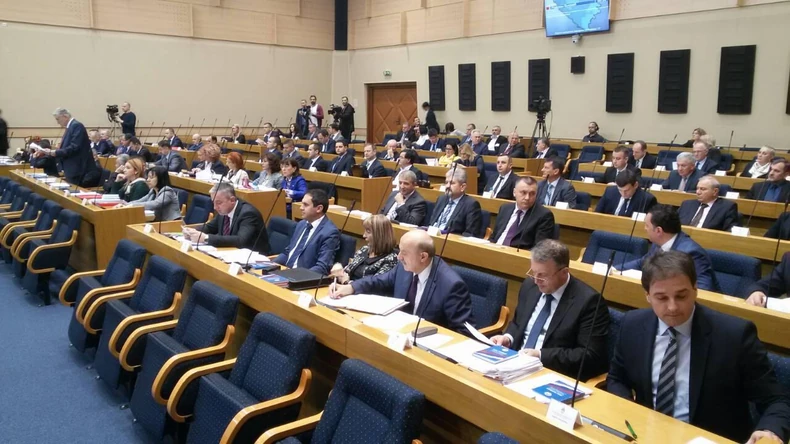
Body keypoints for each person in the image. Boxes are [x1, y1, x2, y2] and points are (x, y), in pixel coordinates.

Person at [607, 250, 790, 444]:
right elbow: (617, 378)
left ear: (695, 289)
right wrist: (630, 413)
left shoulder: (734, 335)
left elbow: (777, 400)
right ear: (648, 296)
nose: (672, 307)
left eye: (681, 296)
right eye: (661, 298)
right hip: (646, 435)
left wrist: (770, 431)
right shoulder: (632, 324)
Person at [491, 239, 609, 379]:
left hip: (550, 373)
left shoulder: (589, 301)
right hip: (513, 365)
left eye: (542, 275)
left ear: (564, 272)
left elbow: (588, 355)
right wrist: (507, 338)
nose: (536, 280)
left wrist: (541, 355)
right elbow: (518, 323)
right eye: (533, 272)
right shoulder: (530, 285)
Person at [329, 230, 474, 333]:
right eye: (399, 251)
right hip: (398, 334)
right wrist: (351, 288)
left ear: (423, 257)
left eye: (404, 253)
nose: (398, 257)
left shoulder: (451, 285)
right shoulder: (404, 268)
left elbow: (463, 332)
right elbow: (378, 281)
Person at [619, 204, 719, 292]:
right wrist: (614, 270)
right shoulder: (658, 243)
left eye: (647, 225)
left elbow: (703, 289)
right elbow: (642, 263)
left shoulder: (692, 253)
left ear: (658, 231)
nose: (645, 228)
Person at [184, 183, 270, 253]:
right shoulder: (225, 210)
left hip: (253, 259)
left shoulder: (248, 214)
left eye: (218, 203)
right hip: (229, 253)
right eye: (213, 203)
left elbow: (240, 240)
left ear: (232, 200)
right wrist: (192, 231)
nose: (215, 207)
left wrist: (206, 238)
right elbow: (210, 227)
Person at [274, 189, 339, 274]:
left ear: (319, 208)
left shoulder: (329, 232)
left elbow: (322, 267)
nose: (301, 208)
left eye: (305, 205)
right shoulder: (301, 224)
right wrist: (271, 265)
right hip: (285, 272)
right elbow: (288, 252)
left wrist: (297, 275)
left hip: (302, 277)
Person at [330, 215, 399, 283]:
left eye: (368, 232)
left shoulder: (391, 260)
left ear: (380, 235)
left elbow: (374, 286)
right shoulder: (364, 249)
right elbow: (347, 271)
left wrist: (347, 282)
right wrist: (339, 268)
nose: (364, 235)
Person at [490, 177, 555, 249]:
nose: (527, 198)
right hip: (495, 250)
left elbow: (540, 249)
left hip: (517, 254)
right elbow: (494, 236)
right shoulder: (505, 208)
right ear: (514, 192)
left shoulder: (544, 215)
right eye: (523, 193)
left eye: (532, 194)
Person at [48, 108, 101, 187]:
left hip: (77, 168)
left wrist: (55, 152)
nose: (57, 122)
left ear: (65, 116)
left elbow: (74, 147)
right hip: (71, 168)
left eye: (58, 119)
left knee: (74, 191)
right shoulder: (71, 127)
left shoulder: (76, 126)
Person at [428, 168, 482, 237]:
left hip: (449, 240)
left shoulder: (471, 205)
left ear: (462, 187)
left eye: (452, 183)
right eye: (446, 182)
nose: (447, 186)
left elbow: (470, 234)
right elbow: (431, 223)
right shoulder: (441, 199)